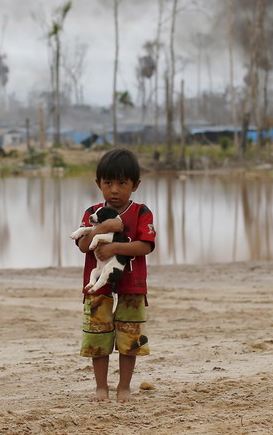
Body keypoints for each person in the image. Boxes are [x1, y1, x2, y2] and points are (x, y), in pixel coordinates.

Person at [75, 148, 156, 403]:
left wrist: (113, 247)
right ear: (98, 183)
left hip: (132, 284)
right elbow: (83, 245)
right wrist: (103, 227)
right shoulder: (93, 212)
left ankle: (124, 386)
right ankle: (101, 387)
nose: (114, 190)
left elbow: (145, 245)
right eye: (108, 183)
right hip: (97, 285)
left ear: (135, 185)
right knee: (98, 334)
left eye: (122, 183)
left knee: (129, 335)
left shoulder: (141, 212)